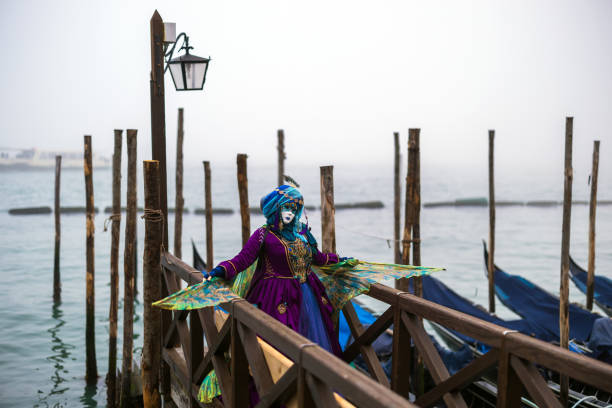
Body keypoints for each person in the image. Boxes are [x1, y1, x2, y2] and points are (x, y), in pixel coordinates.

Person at [203, 184, 346, 356]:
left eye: (294, 209)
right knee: (279, 345)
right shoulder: (263, 235)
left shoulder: (302, 232)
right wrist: (220, 270)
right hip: (277, 296)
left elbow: (318, 258)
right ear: (276, 208)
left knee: (315, 342)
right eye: (286, 207)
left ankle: (313, 381)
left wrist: (340, 261)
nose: (290, 213)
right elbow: (243, 260)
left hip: (310, 295)